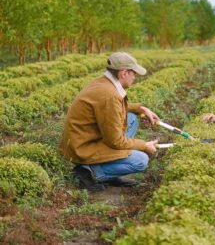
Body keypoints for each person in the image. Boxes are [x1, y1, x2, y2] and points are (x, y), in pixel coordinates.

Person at [59, 52, 159, 191]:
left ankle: (107, 169)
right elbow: (115, 141)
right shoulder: (109, 95)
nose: (135, 77)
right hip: (83, 147)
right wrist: (144, 145)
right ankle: (89, 173)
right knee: (141, 160)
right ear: (124, 73)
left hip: (85, 138)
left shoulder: (104, 83)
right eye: (134, 73)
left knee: (131, 119)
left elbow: (115, 108)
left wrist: (140, 109)